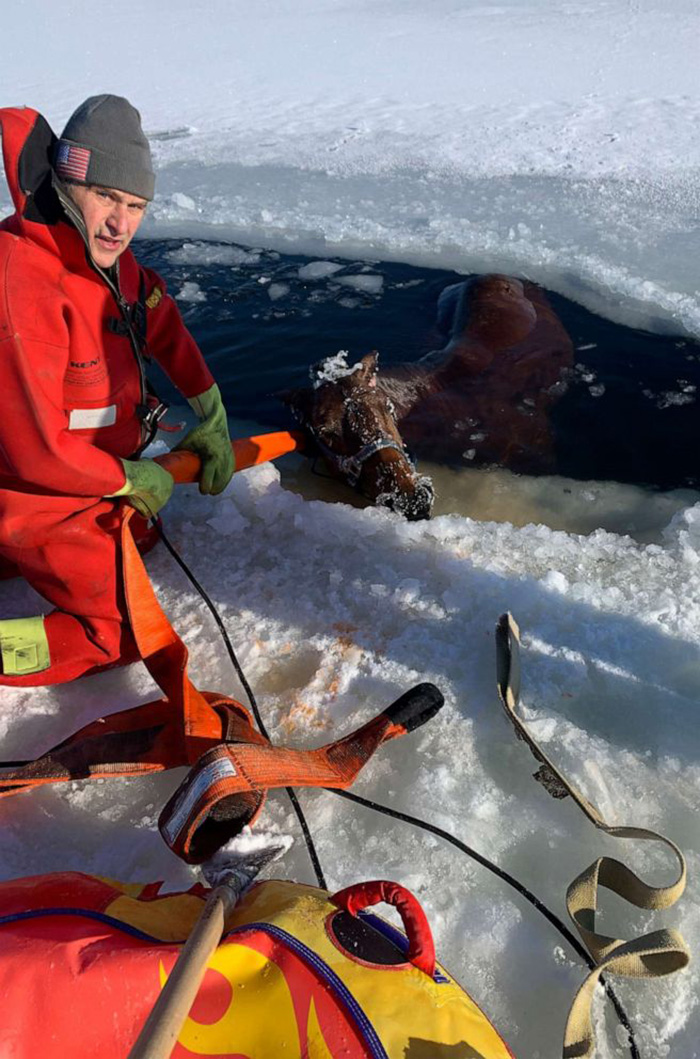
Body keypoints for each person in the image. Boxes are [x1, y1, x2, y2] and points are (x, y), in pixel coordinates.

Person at [0, 96, 235, 685]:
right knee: (122, 631)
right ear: (64, 182)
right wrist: (128, 478)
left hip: (88, 476)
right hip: (32, 491)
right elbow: (35, 453)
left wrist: (211, 407)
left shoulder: (107, 264)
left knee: (143, 539)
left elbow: (157, 314)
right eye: (106, 196)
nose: (121, 223)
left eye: (136, 205)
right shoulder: (21, 285)